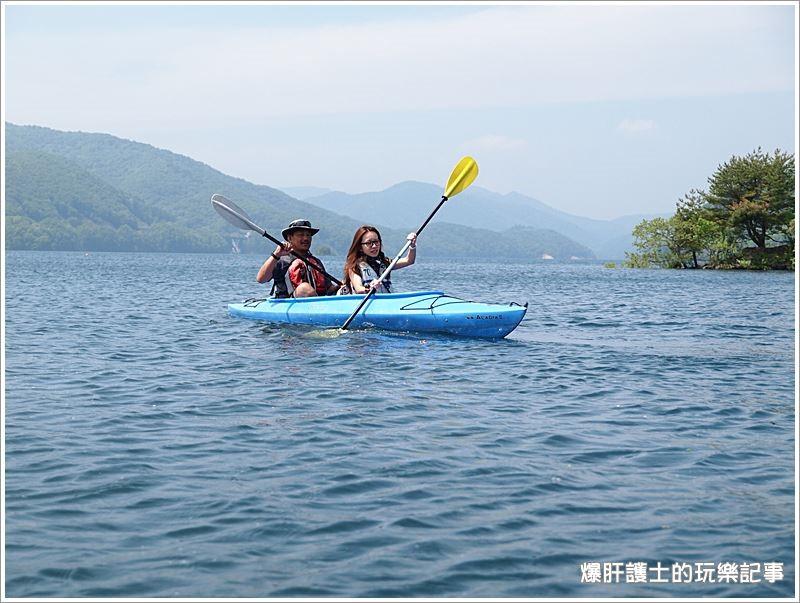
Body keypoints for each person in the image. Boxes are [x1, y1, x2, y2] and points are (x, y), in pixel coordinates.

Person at [256, 219, 338, 298]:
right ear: (289, 238)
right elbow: (261, 279)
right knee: (304, 288)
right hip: (289, 303)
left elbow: (329, 289)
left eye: (308, 235)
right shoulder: (281, 260)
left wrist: (342, 286)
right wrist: (276, 254)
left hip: (318, 302)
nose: (306, 238)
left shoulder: (316, 262)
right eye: (301, 235)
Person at [342, 226, 417, 294]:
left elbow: (409, 260)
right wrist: (369, 288)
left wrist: (412, 245)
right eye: (369, 243)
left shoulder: (385, 262)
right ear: (360, 247)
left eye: (376, 242)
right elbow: (358, 288)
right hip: (367, 302)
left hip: (385, 301)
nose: (374, 246)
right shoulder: (354, 266)